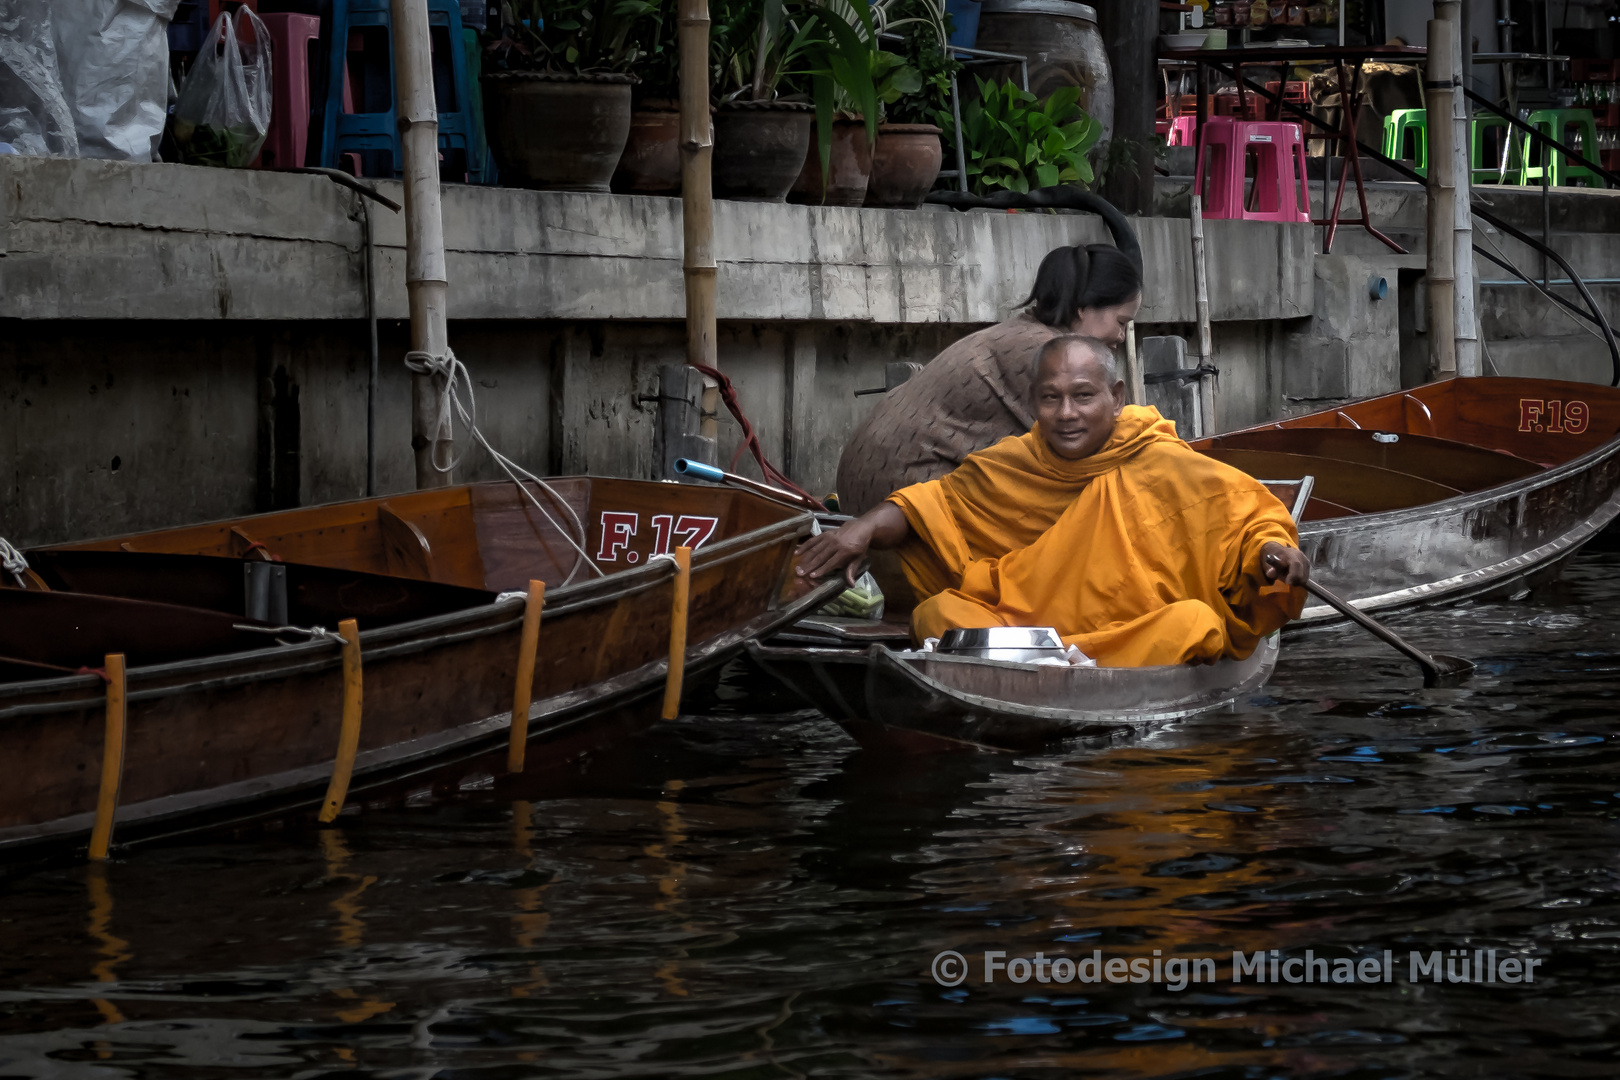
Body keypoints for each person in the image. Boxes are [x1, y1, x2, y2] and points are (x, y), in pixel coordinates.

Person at [799, 337, 1311, 668]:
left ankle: (1051, 666)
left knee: (1194, 624)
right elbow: (930, 506)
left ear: (1115, 395)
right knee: (938, 612)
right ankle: (1053, 664)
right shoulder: (1016, 461)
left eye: (1083, 396)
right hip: (1030, 627)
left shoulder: (1161, 460)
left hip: (1125, 634)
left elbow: (1246, 522)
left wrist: (1273, 553)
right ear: (1034, 402)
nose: (1066, 413)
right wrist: (860, 529)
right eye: (1051, 398)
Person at [834, 243, 1144, 515]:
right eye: (1121, 322)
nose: (1120, 336)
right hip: (897, 492)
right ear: (1084, 308)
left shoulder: (1025, 335)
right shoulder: (1047, 354)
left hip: (871, 481)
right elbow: (1104, 452)